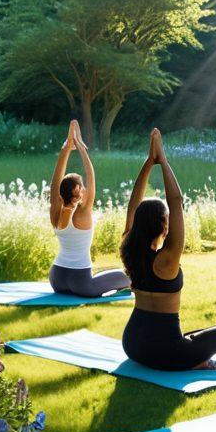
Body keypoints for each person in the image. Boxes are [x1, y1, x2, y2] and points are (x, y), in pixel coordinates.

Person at [120, 129, 216, 371]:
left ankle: (189, 351)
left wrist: (149, 162)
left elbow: (134, 201)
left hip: (132, 344)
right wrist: (162, 161)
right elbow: (176, 202)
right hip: (166, 353)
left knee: (196, 334)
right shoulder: (167, 260)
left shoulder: (130, 252)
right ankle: (195, 362)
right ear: (164, 225)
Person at [48, 120, 130, 298]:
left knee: (106, 274)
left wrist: (67, 149)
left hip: (57, 279)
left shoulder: (55, 210)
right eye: (81, 187)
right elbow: (91, 174)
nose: (85, 188)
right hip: (82, 283)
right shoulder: (83, 212)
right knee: (128, 276)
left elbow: (55, 181)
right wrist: (80, 147)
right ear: (77, 194)